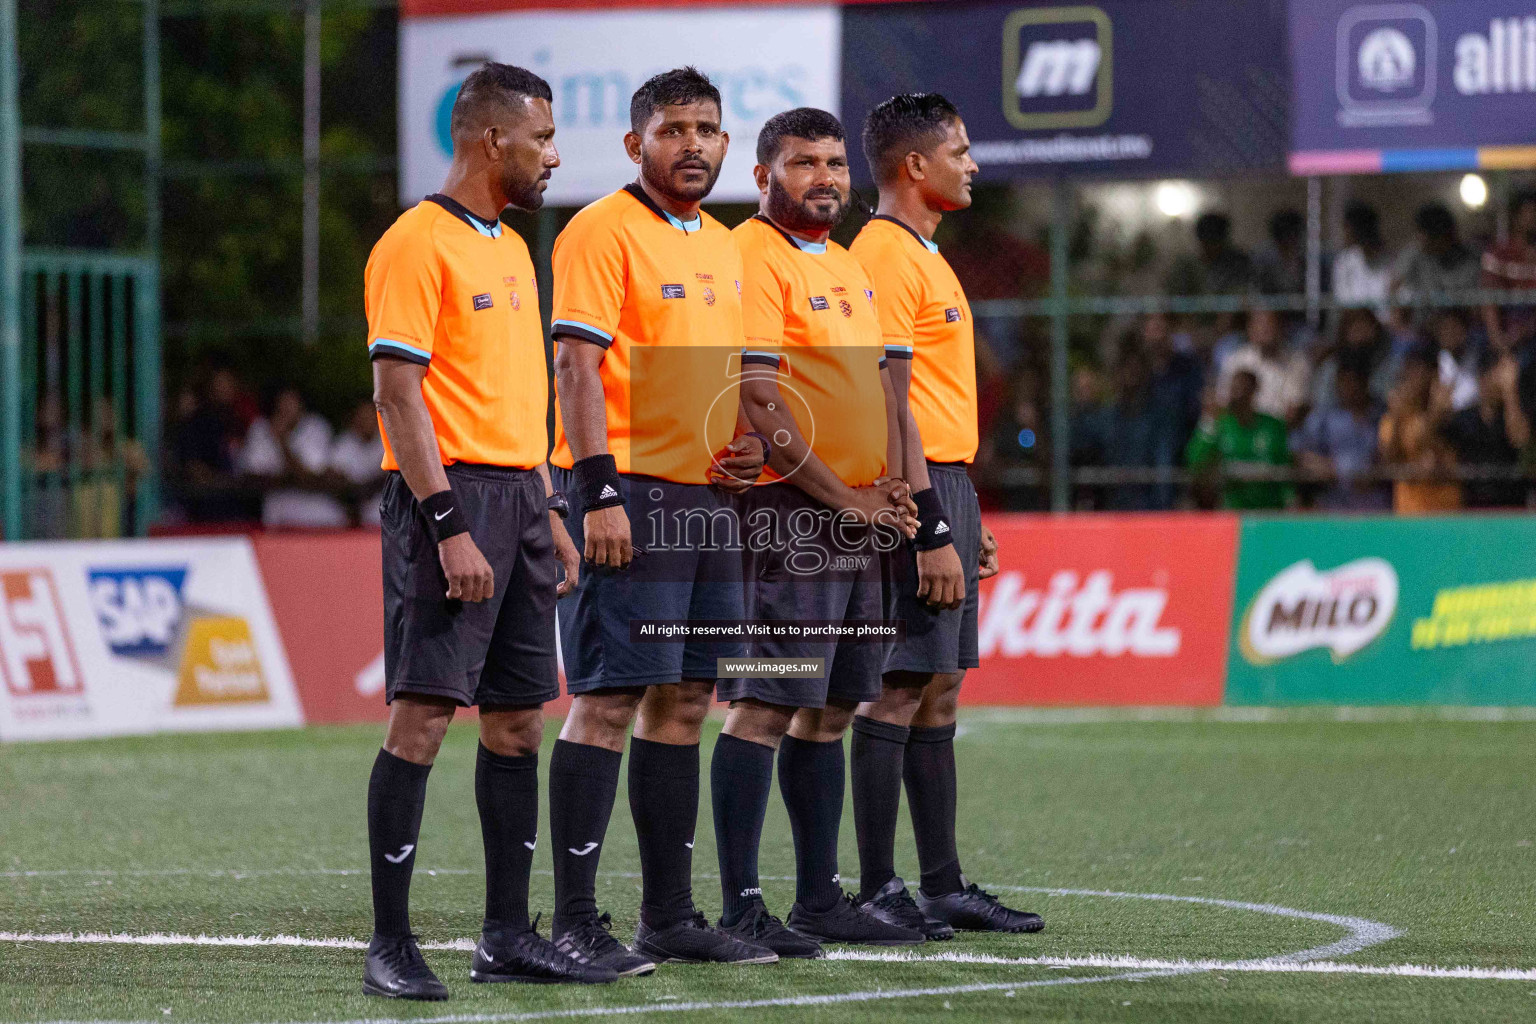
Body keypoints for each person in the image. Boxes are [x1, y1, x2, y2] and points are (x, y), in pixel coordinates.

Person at [360, 62, 597, 1000]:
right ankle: (390, 945)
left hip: (521, 503)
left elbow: (518, 399)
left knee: (516, 725)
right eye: (541, 138)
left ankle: (507, 936)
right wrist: (449, 524)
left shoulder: (507, 247)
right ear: (492, 139)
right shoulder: (417, 243)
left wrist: (548, 511)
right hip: (446, 502)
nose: (551, 155)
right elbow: (396, 395)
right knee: (421, 718)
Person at [545, 67, 775, 973]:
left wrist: (748, 445)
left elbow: (727, 375)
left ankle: (670, 917)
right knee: (605, 702)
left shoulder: (724, 245)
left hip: (709, 501)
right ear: (636, 144)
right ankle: (572, 920)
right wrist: (596, 489)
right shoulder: (599, 230)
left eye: (708, 129)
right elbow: (574, 366)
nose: (693, 144)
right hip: (627, 495)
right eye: (673, 129)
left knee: (683, 704)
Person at [708, 107, 924, 958]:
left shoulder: (843, 263)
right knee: (765, 705)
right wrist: (847, 498)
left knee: (832, 707)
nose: (826, 176)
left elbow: (872, 392)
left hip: (856, 517)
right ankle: (741, 905)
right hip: (787, 516)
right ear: (764, 176)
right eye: (804, 163)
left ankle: (817, 897)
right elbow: (757, 398)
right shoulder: (748, 256)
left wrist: (897, 492)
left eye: (835, 162)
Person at [847, 93, 1043, 937]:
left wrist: (961, 512)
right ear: (915, 167)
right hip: (914, 491)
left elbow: (930, 400)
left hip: (947, 484)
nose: (974, 164)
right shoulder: (886, 256)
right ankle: (880, 886)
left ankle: (941, 884)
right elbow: (890, 404)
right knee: (895, 690)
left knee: (938, 690)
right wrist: (928, 520)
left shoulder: (925, 254)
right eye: (960, 150)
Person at [237, 386, 349, 529]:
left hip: (317, 512)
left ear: (301, 405)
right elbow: (252, 477)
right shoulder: (260, 428)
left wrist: (282, 442)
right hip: (277, 513)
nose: (286, 408)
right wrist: (290, 478)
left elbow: (310, 478)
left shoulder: (315, 426)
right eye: (282, 403)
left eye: (291, 402)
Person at [1186, 368, 1291, 510]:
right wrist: (1209, 421)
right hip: (1232, 510)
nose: (1238, 395)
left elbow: (1284, 466)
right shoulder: (1221, 424)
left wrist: (1290, 500)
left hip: (1269, 509)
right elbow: (1195, 460)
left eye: (1244, 389)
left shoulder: (1273, 426)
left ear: (1254, 391)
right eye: (1234, 389)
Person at [1295, 363, 1388, 511]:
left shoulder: (1383, 414)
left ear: (1365, 382)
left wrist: (1375, 470)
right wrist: (1331, 468)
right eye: (1343, 382)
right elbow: (1301, 454)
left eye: (1353, 381)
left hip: (1377, 505)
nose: (1349, 388)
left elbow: (1392, 455)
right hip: (1334, 504)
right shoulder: (1322, 417)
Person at [1443, 353, 1530, 508]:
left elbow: (1520, 439)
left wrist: (1511, 393)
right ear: (1482, 378)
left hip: (1512, 508)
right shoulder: (1465, 417)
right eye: (1497, 375)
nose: (1500, 381)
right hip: (1471, 509)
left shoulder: (1512, 415)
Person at [1378, 353, 1461, 514]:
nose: (1415, 379)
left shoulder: (1449, 417)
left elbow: (1427, 441)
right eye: (1411, 372)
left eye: (1421, 372)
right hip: (1410, 512)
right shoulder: (1392, 419)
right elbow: (1389, 459)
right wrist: (1396, 418)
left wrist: (1436, 411)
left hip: (1447, 512)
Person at [1215, 308, 1310, 426]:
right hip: (1244, 430)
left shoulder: (1297, 361)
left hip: (1283, 431)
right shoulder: (1236, 361)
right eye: (1260, 324)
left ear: (1281, 327)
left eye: (1270, 324)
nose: (1266, 331)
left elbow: (1296, 407)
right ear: (1249, 328)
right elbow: (1223, 402)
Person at [1393, 203, 1479, 329]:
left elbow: (1474, 309)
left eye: (1425, 235)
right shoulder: (1414, 255)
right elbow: (1395, 287)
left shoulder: (1470, 259)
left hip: (1459, 328)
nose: (1421, 240)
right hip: (1422, 328)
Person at [1480, 189, 1536, 354]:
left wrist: (1527, 330)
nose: (1533, 217)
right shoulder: (1497, 254)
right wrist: (1497, 339)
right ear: (1516, 215)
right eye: (1529, 212)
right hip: (1507, 322)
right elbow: (1489, 300)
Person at [1164, 211, 1254, 297]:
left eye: (1214, 242)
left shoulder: (1238, 262)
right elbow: (1173, 297)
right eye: (1207, 242)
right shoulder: (1187, 266)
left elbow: (1243, 294)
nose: (1211, 247)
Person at [331, 399, 388, 526]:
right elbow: (336, 478)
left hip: (380, 498)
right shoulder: (344, 442)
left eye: (369, 416)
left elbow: (389, 478)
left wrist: (368, 487)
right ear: (354, 419)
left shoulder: (388, 441)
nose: (366, 421)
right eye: (362, 416)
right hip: (350, 501)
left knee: (377, 513)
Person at [1333, 200, 1392, 321]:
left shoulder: (1391, 261)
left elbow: (1396, 304)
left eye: (1348, 228)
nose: (1345, 233)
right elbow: (1343, 302)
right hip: (1355, 326)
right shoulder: (1344, 261)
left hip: (1386, 326)